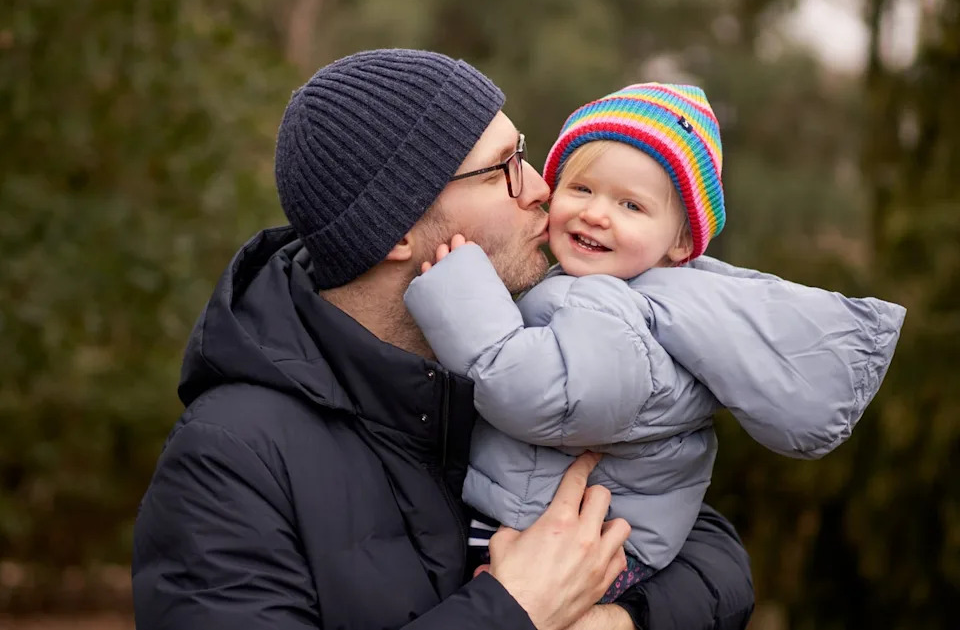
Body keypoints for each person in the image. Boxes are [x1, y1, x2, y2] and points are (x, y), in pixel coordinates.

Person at [131, 51, 755, 630]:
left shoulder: (522, 365)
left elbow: (710, 550)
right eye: (502, 169)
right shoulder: (228, 460)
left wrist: (623, 619)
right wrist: (516, 610)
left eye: (524, 154)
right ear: (397, 230)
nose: (542, 187)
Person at [404, 84, 906, 602]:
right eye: (582, 189)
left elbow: (540, 396)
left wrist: (461, 296)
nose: (597, 214)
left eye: (631, 205)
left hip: (568, 549)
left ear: (681, 243)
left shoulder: (620, 314)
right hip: (552, 525)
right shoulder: (613, 295)